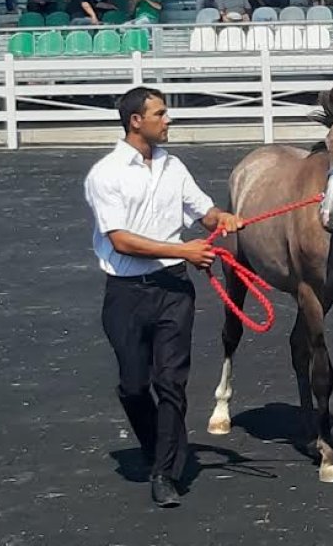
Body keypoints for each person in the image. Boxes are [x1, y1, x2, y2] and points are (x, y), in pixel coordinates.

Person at [84, 86, 245, 508]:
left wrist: (220, 218)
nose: (167, 120)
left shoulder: (174, 167)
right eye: (160, 113)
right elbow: (120, 240)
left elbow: (202, 210)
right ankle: (161, 447)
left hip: (174, 289)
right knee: (134, 387)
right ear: (136, 120)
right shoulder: (106, 174)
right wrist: (185, 250)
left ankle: (164, 472)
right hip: (126, 294)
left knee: (171, 383)